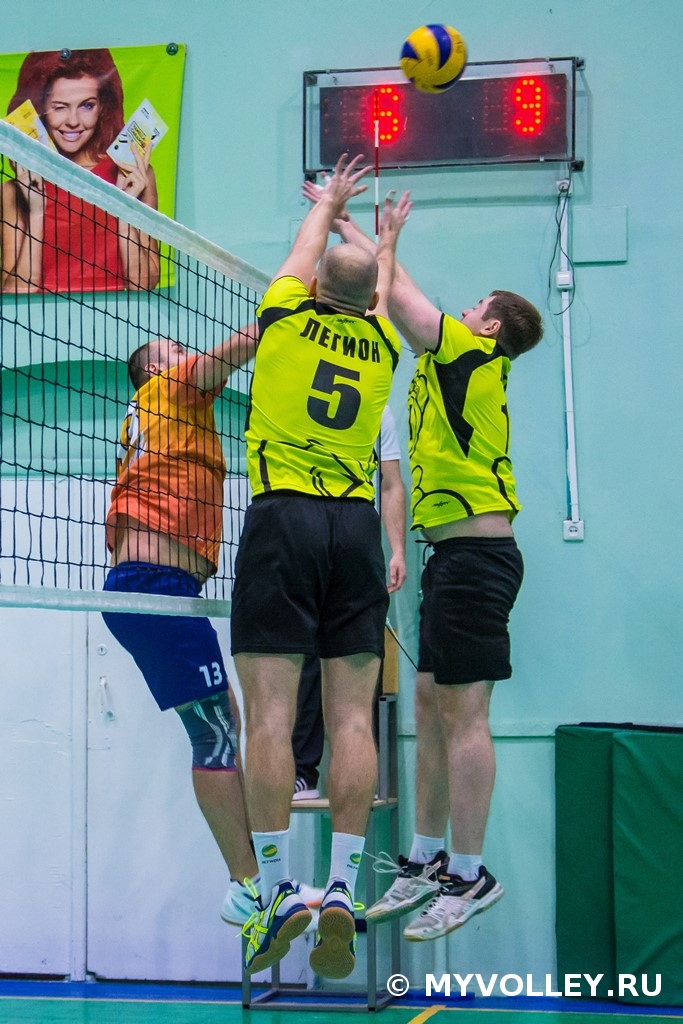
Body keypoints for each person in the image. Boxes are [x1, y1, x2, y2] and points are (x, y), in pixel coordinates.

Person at [336, 191, 544, 941]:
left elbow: (396, 296)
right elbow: (399, 288)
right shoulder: (452, 360)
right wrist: (350, 227)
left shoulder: (471, 353)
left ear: (489, 327)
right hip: (451, 556)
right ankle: (426, 857)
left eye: (474, 305)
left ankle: (469, 871)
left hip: (478, 558)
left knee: (464, 717)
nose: (460, 309)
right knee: (428, 706)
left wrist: (377, 240)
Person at [230, 154, 402, 979]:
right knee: (351, 721)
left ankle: (275, 892)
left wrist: (327, 204)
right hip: (355, 529)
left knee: (268, 719)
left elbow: (304, 258)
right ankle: (340, 886)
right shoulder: (383, 344)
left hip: (285, 519)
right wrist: (378, 240)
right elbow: (373, 285)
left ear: (311, 289)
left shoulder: (284, 322)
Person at [100, 326, 323, 929]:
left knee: (225, 726)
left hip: (161, 591)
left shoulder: (162, 415)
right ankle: (249, 886)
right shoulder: (167, 388)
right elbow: (230, 351)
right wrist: (287, 315)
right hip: (154, 588)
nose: (184, 353)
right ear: (155, 369)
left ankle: (260, 885)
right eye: (173, 349)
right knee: (219, 736)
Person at [292, 404, 407, 801]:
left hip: (354, 533)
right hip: (304, 529)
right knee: (305, 655)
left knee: (359, 656)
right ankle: (302, 773)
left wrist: (397, 550)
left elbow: (390, 484)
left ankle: (360, 778)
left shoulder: (379, 408)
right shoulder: (296, 393)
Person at [1, 48, 159, 293]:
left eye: (86, 106)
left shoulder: (135, 176)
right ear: (40, 109)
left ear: (102, 107)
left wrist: (124, 211)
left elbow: (144, 285)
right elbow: (14, 292)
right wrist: (37, 213)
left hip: (118, 314)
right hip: (46, 316)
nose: (73, 121)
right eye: (59, 107)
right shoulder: (14, 189)